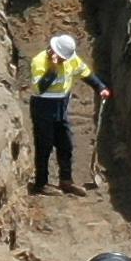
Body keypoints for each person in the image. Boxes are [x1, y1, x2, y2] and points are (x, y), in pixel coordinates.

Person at [27, 28, 94, 194]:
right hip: (43, 108)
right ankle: (41, 184)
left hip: (60, 108)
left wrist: (100, 87)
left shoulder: (71, 59)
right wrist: (53, 68)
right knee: (44, 146)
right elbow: (40, 88)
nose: (65, 60)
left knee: (66, 145)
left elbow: (84, 72)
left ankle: (66, 181)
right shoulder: (39, 61)